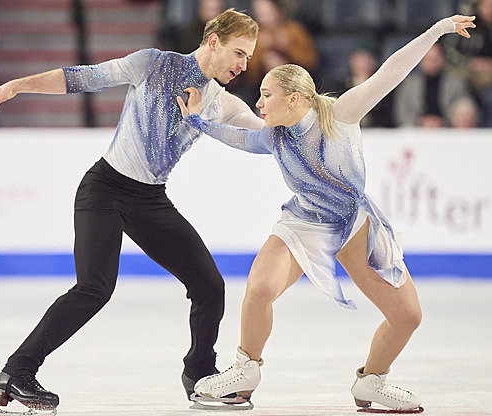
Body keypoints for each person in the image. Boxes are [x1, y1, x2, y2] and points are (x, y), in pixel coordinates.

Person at [176, 14, 476, 413]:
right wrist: (197, 121)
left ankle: (372, 381)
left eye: (266, 95)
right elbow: (238, 136)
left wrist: (437, 30)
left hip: (354, 223)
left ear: (294, 98)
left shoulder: (341, 113)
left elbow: (393, 71)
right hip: (304, 222)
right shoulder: (274, 136)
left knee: (408, 315)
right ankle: (245, 373)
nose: (259, 103)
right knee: (260, 289)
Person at [0, 8, 263, 412]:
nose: (243, 64)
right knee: (94, 288)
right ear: (213, 42)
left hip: (151, 200)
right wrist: (18, 86)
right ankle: (17, 372)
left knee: (209, 286)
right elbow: (82, 78)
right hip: (106, 189)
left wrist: (312, 124)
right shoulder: (153, 64)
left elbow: (264, 137)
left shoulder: (224, 105)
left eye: (248, 57)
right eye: (239, 53)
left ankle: (199, 375)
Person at [393, 43, 478, 128]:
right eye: (429, 59)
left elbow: (462, 105)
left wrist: (443, 122)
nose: (433, 63)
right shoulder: (409, 84)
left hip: (448, 129)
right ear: (421, 61)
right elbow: (402, 113)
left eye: (436, 58)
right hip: (415, 130)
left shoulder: (455, 83)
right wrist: (420, 122)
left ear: (443, 59)